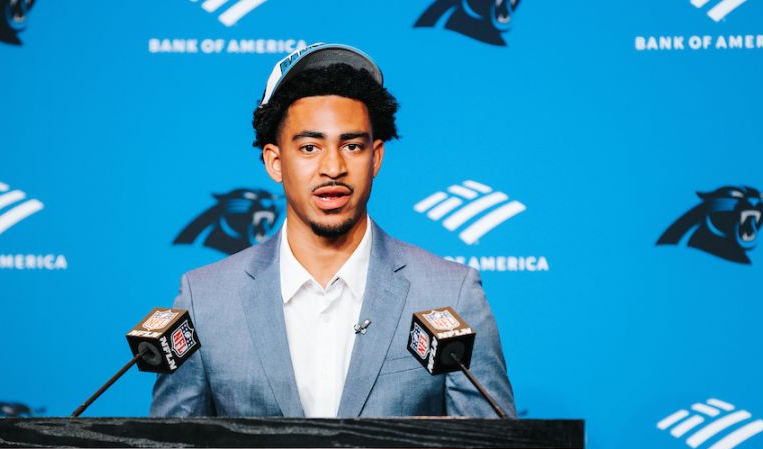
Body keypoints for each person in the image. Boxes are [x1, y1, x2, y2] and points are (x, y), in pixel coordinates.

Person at [151, 43, 514, 418]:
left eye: (352, 146)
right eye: (309, 147)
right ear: (275, 162)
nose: (333, 167)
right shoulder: (205, 301)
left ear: (375, 158)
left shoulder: (449, 294)